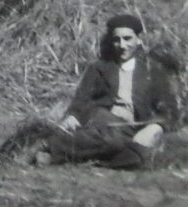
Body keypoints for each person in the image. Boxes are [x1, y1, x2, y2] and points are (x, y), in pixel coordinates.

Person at [35, 13, 177, 170]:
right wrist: (73, 116)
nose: (122, 45)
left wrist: (156, 126)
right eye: (117, 40)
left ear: (138, 39)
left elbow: (169, 109)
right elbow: (82, 98)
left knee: (137, 155)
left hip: (133, 127)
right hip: (104, 120)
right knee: (114, 141)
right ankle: (50, 144)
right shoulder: (100, 68)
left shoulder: (152, 71)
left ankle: (67, 156)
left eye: (127, 39)